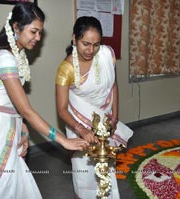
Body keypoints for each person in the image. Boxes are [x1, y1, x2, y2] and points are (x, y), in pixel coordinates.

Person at [0, 3, 89, 199]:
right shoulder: (4, 58)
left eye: (40, 32)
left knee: (16, 183)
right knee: (3, 185)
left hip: (2, 122)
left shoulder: (15, 55)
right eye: (34, 31)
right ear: (15, 27)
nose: (38, 38)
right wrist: (64, 141)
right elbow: (26, 109)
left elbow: (9, 101)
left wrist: (22, 127)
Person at [55, 16, 133, 199]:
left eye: (96, 44)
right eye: (85, 44)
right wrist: (81, 129)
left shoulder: (106, 55)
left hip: (104, 122)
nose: (91, 50)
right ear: (74, 39)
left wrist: (114, 117)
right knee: (83, 170)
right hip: (77, 122)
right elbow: (62, 109)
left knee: (106, 166)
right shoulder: (66, 69)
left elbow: (113, 85)